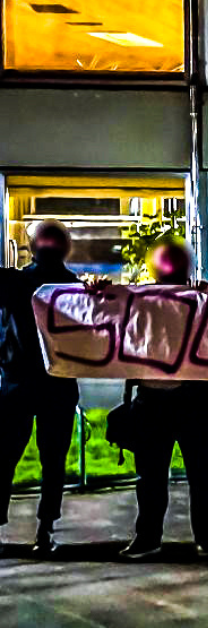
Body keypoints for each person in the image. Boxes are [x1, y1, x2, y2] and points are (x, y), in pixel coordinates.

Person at [120, 242, 208, 560]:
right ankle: (160, 537)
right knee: (157, 475)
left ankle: (198, 537)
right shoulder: (138, 300)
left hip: (185, 398)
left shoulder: (202, 300)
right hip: (161, 400)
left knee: (197, 474)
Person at [0, 220, 81, 556]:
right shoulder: (74, 286)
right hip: (56, 385)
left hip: (18, 384)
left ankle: (39, 528)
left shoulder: (12, 282)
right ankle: (46, 529)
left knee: (5, 457)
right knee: (51, 461)